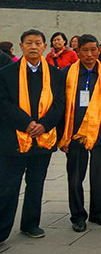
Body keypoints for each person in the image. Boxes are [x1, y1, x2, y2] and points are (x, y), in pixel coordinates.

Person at [0, 29, 65, 242]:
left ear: (45, 46)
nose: (33, 47)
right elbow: (4, 104)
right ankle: (2, 229)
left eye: (38, 43)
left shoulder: (54, 74)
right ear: (21, 46)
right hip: (14, 139)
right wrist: (26, 124)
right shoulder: (7, 73)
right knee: (8, 186)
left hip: (42, 139)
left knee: (36, 184)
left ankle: (30, 224)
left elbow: (59, 104)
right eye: (29, 43)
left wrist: (44, 125)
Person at [59, 34, 101, 232]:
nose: (89, 54)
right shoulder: (67, 73)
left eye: (93, 50)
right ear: (77, 52)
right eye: (84, 50)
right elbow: (59, 105)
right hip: (75, 133)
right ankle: (77, 215)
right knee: (75, 177)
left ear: (99, 51)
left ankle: (98, 212)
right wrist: (62, 136)